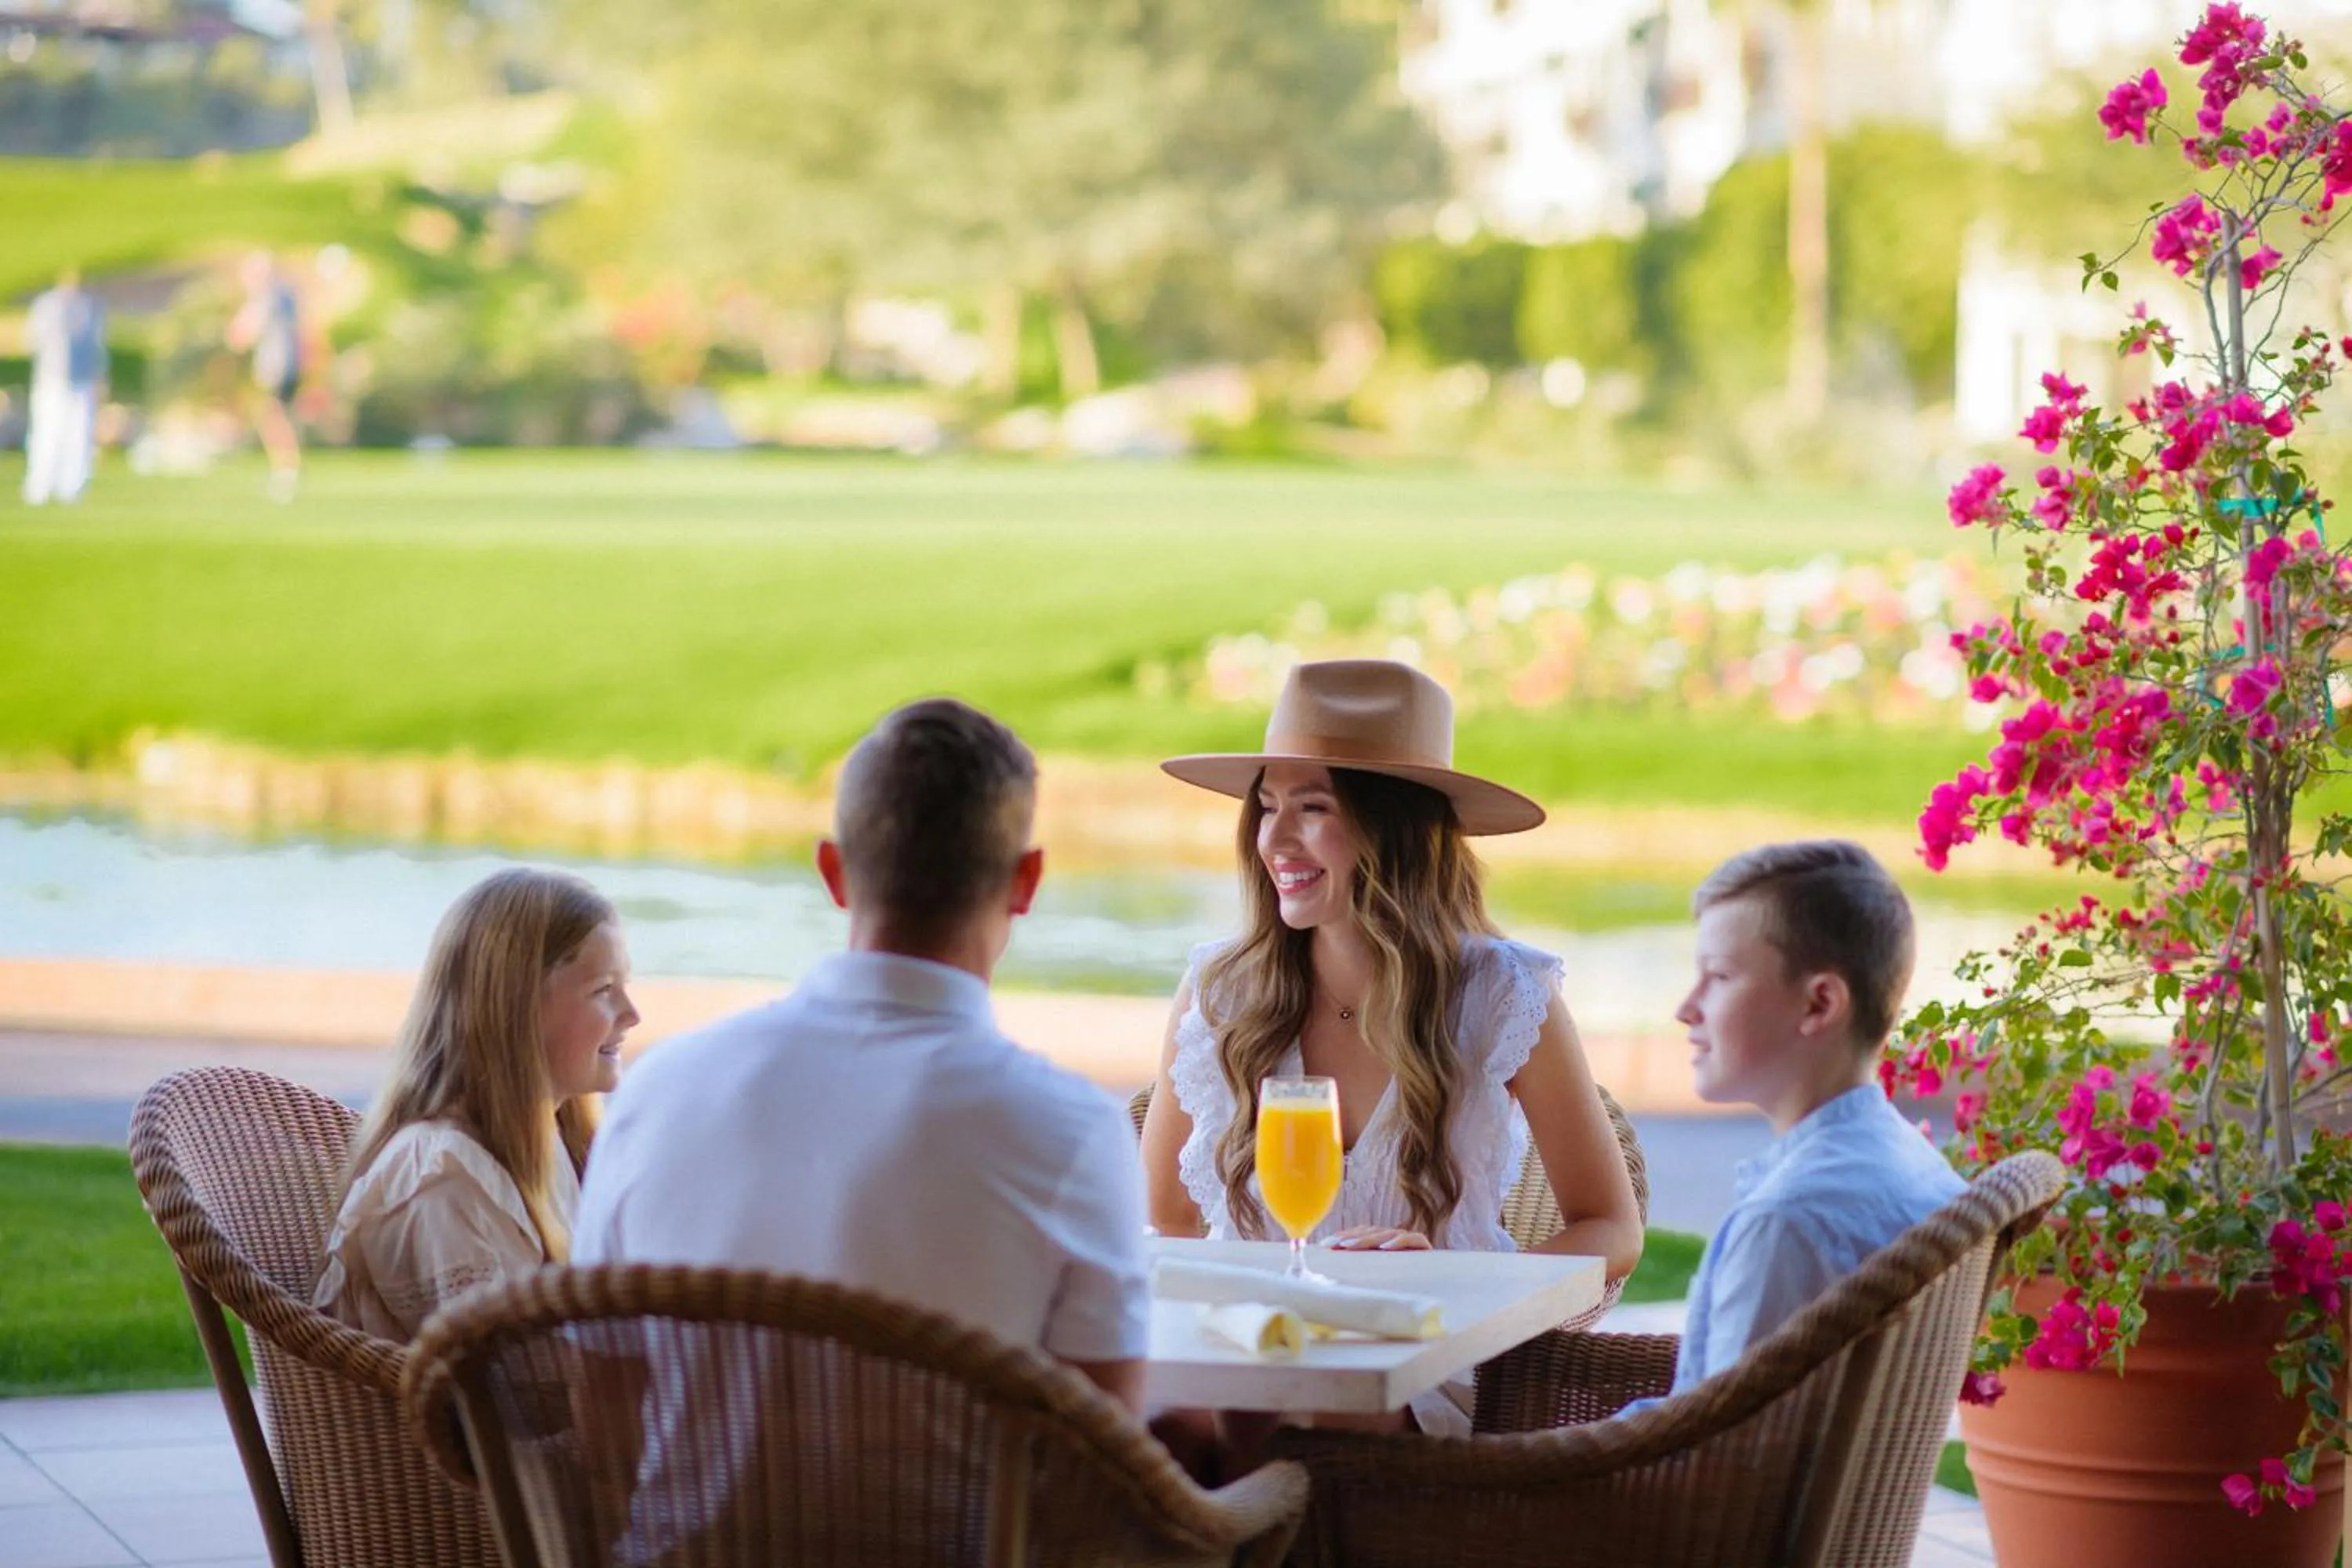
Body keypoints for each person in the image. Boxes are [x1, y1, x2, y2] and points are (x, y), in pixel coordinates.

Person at [575, 697, 1149, 1408]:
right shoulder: (1072, 1133)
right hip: (950, 1526)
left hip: (688, 1526)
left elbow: (601, 1412)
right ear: (1025, 882)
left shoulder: (656, 1093)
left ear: (833, 872)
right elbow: (1097, 1476)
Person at [1142, 658, 1645, 1443]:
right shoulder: (1219, 989)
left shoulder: (1504, 995)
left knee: (1296, 1425)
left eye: (1313, 806)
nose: (1275, 836)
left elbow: (1611, 1226)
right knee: (1153, 1426)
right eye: (1267, 805)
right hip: (1247, 1353)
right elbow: (1165, 1222)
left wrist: (1452, 1278)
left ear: (1395, 828)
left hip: (1421, 1364)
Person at [1662, 840, 1963, 1394]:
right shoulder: (1916, 1166)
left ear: (1819, 1004)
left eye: (1720, 976)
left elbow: (1718, 1464)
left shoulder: (1790, 1223)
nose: (1687, 1007)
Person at [314, 868, 637, 1341]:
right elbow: (513, 1390)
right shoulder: (444, 1175)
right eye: (603, 990)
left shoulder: (549, 1143)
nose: (632, 1013)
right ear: (516, 1008)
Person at [22, 268, 107, 506]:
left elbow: (98, 345)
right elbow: (31, 340)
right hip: (51, 378)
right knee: (47, 433)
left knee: (79, 435)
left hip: (83, 380)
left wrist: (100, 376)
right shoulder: (46, 305)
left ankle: (71, 488)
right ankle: (39, 487)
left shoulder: (92, 306)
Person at [225, 251, 303, 501]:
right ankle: (285, 467)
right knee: (276, 416)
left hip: (275, 366)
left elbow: (242, 333)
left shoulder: (269, 296)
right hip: (287, 364)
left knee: (273, 417)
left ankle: (286, 468)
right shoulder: (284, 295)